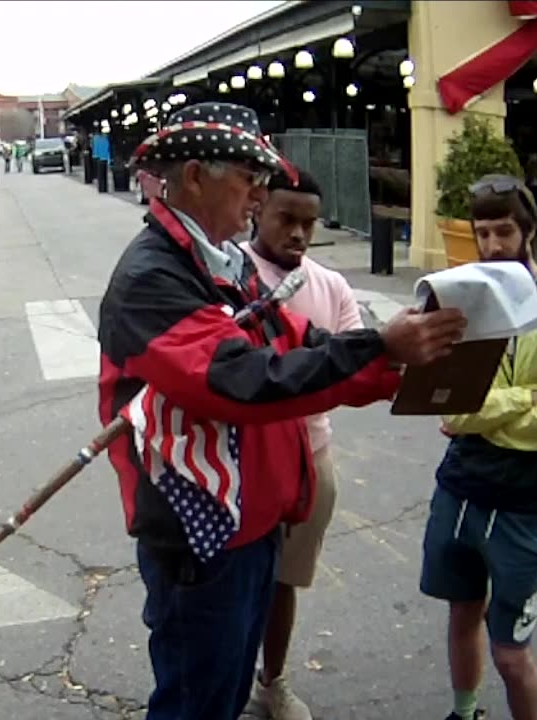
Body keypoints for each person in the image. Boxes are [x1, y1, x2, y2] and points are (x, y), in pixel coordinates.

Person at [96, 102, 469, 720]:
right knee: (197, 701)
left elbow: (292, 337)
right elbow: (240, 380)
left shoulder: (224, 260)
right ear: (195, 176)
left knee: (226, 686)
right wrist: (379, 349)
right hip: (203, 536)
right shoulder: (151, 278)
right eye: (250, 178)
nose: (259, 195)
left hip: (255, 521)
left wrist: (391, 359)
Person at [419, 174, 537, 720]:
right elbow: (451, 408)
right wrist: (527, 396)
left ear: (529, 231)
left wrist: (484, 414)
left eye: (504, 231)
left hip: (528, 495)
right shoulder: (463, 301)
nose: (494, 245)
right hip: (463, 485)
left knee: (511, 651)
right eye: (483, 233)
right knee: (461, 611)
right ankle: (464, 710)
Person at [236, 168, 359, 720]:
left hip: (312, 455)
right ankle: (227, 686)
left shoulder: (330, 285)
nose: (299, 234)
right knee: (234, 582)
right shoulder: (228, 275)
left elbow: (355, 363)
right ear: (258, 207)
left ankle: (272, 681)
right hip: (243, 461)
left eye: (309, 223)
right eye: (287, 218)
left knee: (285, 580)